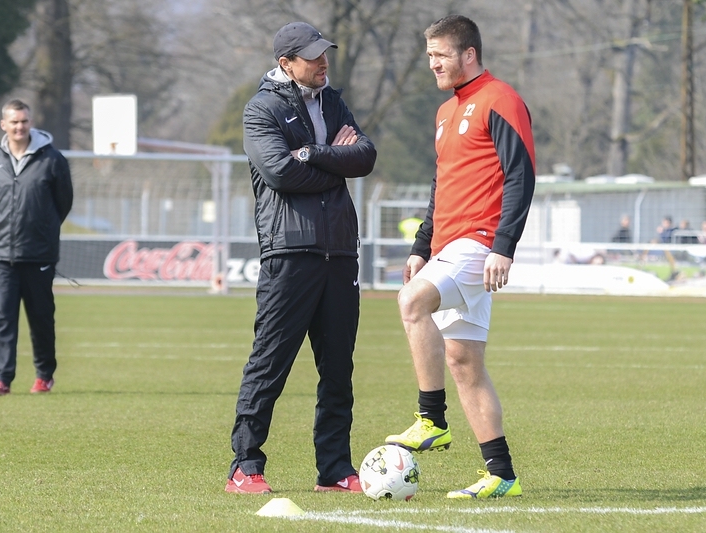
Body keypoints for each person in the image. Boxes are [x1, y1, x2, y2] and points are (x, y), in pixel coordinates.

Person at [384, 15, 535, 499]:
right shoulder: (446, 112)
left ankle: (430, 418)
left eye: (441, 56)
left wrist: (503, 247)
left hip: (479, 242)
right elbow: (440, 184)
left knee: (411, 304)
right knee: (464, 360)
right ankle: (501, 474)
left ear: (469, 54)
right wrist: (420, 247)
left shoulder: (501, 99)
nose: (433, 65)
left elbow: (521, 176)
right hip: (448, 245)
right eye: (429, 56)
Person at [226, 22, 376, 494]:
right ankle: (245, 466)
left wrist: (312, 153)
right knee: (270, 363)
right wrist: (335, 163)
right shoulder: (261, 109)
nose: (323, 62)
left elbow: (366, 157)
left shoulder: (332, 101)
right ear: (286, 64)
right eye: (313, 56)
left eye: (324, 53)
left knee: (338, 369)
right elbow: (281, 173)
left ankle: (334, 469)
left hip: (339, 253)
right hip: (289, 253)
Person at [0, 99, 73, 396]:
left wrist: (43, 230)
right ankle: (1, 379)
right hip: (2, 254)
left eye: (24, 121)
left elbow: (63, 203)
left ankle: (44, 375)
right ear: (4, 125)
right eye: (14, 122)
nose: (20, 127)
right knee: (3, 319)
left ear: (30, 122)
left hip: (39, 254)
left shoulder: (52, 159)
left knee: (41, 317)